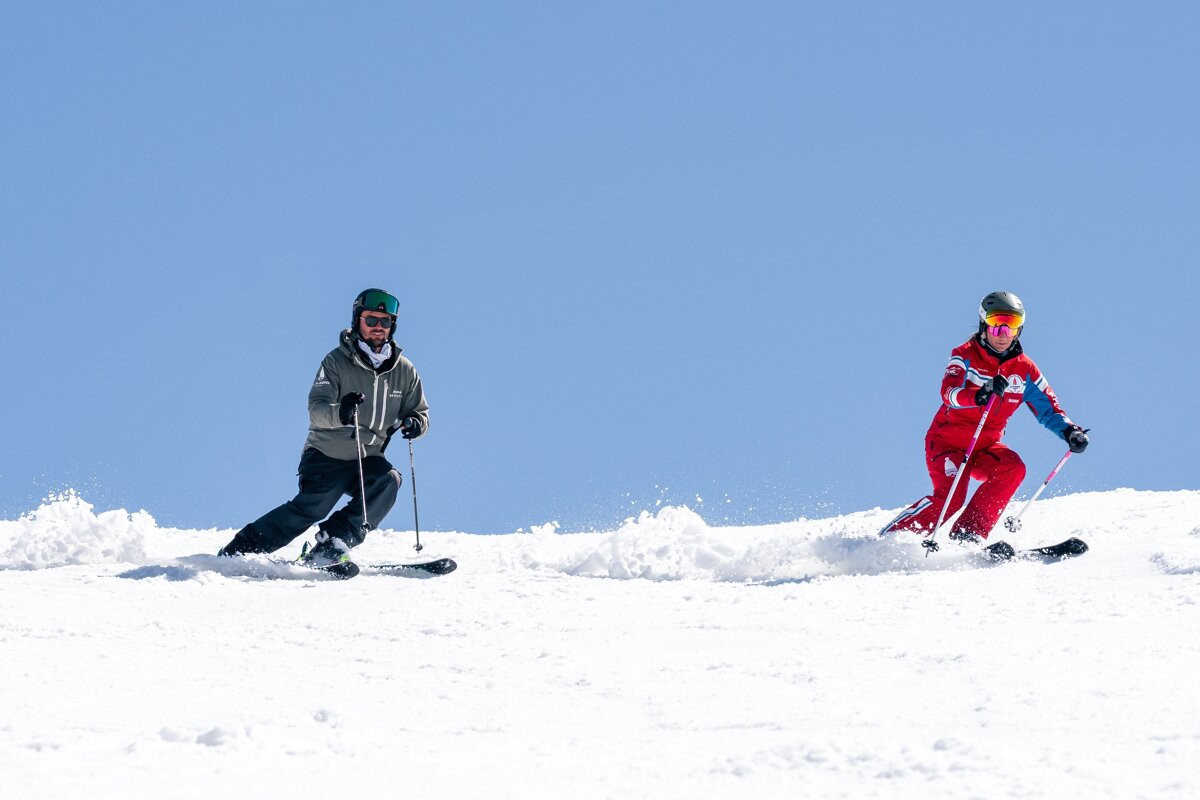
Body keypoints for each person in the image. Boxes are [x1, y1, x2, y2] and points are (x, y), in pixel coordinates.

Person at [218, 288, 430, 567]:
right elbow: (316, 410)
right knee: (311, 508)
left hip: (367, 457)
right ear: (357, 321)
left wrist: (416, 423)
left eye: (385, 321)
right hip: (326, 455)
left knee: (388, 481)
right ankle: (242, 548)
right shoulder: (336, 361)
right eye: (371, 320)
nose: (378, 327)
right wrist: (341, 412)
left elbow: (419, 411)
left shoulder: (404, 370)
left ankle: (332, 542)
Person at [880, 291, 1088, 543]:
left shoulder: (1024, 370)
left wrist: (1069, 431)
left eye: (1011, 325)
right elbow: (949, 392)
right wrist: (979, 394)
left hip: (984, 446)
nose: (1003, 332)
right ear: (983, 323)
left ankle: (968, 535)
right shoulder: (965, 354)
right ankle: (891, 539)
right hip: (948, 444)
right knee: (952, 498)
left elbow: (1049, 409)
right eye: (996, 322)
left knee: (1012, 468)